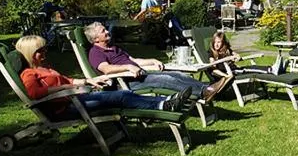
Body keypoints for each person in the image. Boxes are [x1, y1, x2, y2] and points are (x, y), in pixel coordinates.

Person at [15, 35, 191, 119]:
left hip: (76, 98)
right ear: (30, 53)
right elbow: (34, 94)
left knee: (125, 94)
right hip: (66, 108)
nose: (44, 53)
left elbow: (69, 80)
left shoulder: (45, 68)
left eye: (45, 49)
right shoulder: (28, 73)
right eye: (40, 51)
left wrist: (89, 80)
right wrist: (66, 88)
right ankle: (162, 105)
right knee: (121, 96)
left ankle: (165, 102)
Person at [84, 22, 230, 103]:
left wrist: (152, 60)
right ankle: (204, 92)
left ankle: (207, 88)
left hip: (139, 75)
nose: (107, 32)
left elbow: (134, 60)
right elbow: (106, 69)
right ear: (96, 39)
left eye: (105, 29)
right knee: (165, 79)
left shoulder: (114, 47)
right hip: (125, 82)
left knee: (177, 74)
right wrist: (128, 67)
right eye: (103, 31)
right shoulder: (95, 52)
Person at [208, 30, 281, 78]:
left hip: (234, 69)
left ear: (223, 43)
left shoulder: (226, 50)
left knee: (251, 68)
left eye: (219, 42)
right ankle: (271, 70)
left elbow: (236, 55)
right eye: (215, 42)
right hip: (230, 72)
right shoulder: (212, 52)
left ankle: (275, 69)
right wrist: (226, 76)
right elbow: (213, 68)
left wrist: (236, 57)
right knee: (249, 69)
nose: (216, 44)